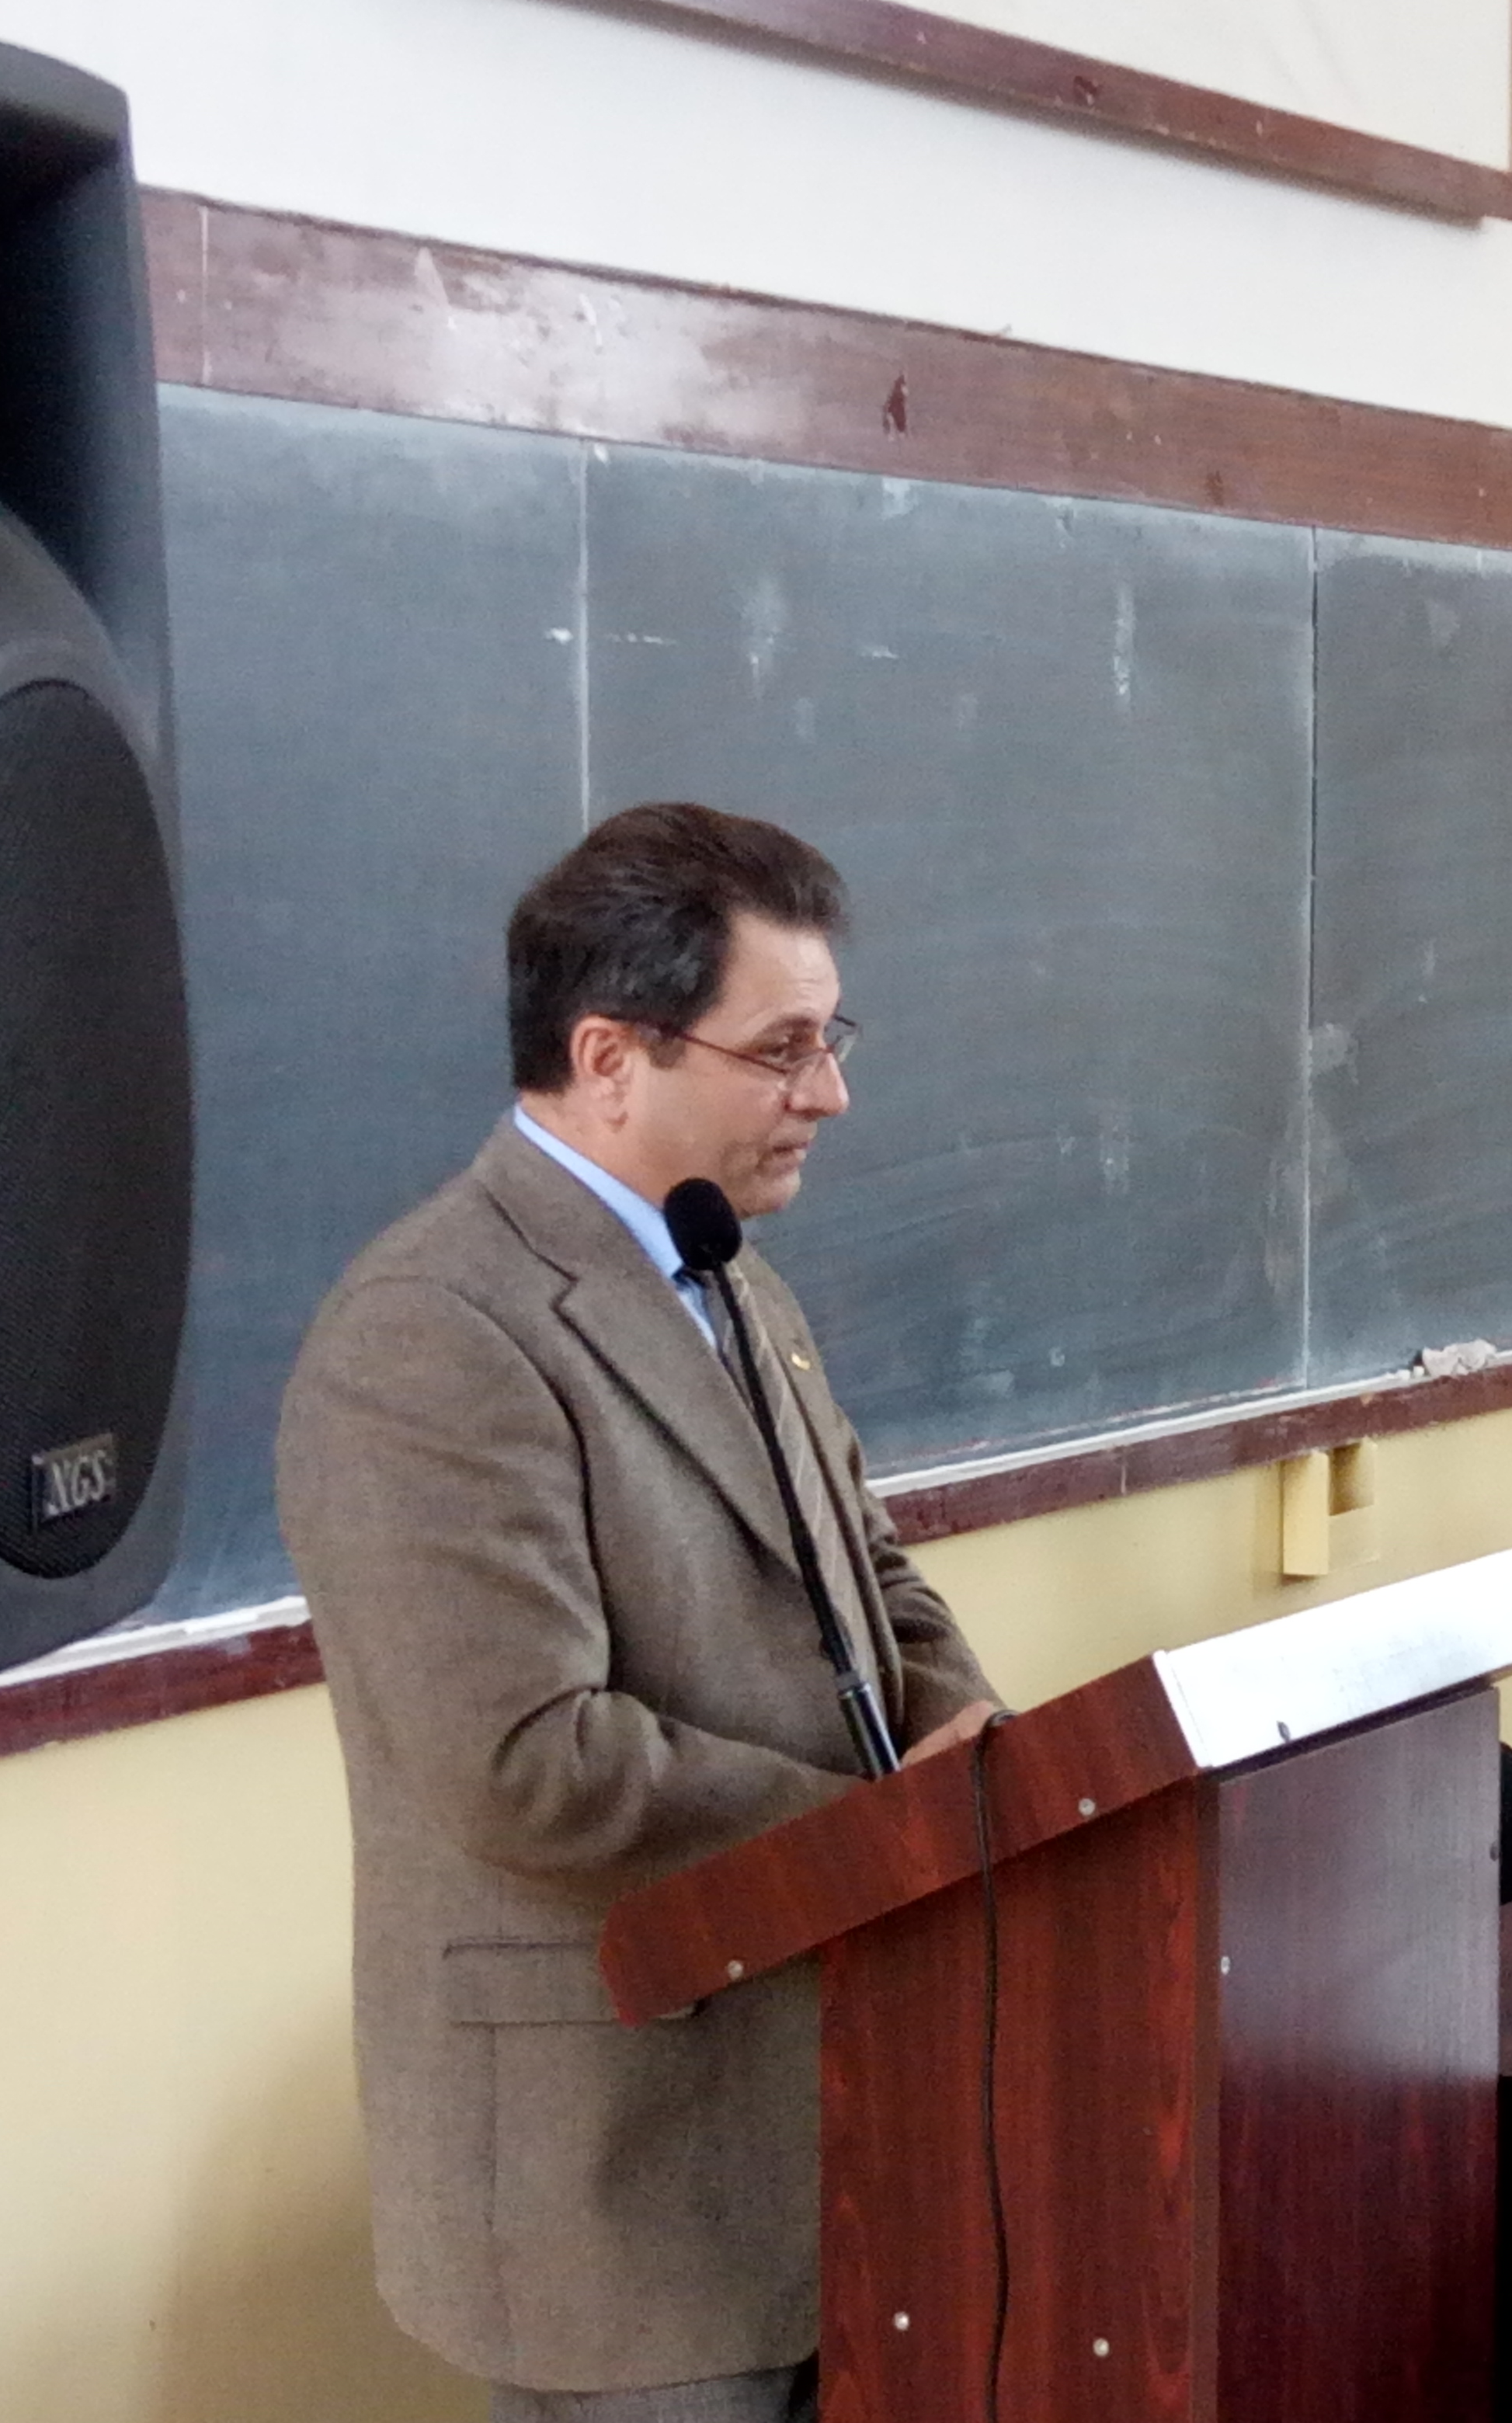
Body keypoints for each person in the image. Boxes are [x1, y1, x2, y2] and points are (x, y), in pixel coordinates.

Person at [278, 803, 1000, 2423]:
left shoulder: (726, 1269)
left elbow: (866, 1572)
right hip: (623, 2174)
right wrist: (897, 1836)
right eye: (782, 1049)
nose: (830, 1094)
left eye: (830, 1041)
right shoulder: (433, 1331)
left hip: (839, 2109)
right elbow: (526, 1762)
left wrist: (970, 1732)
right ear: (611, 1057)